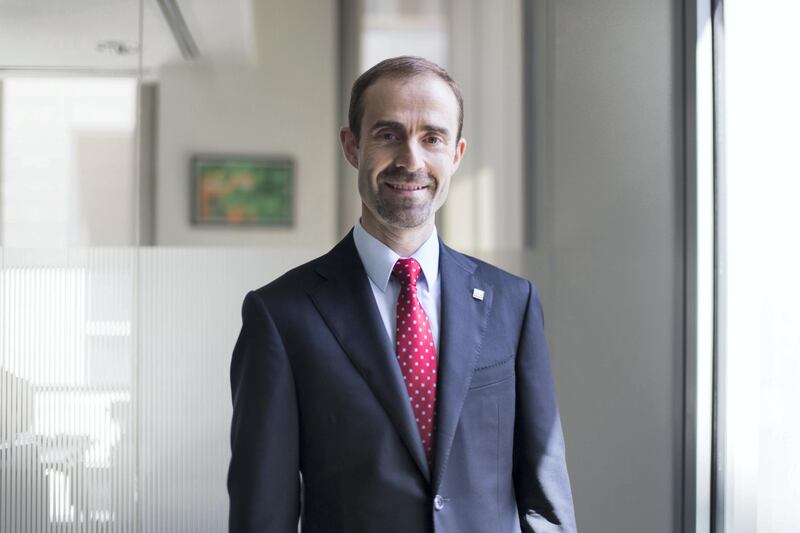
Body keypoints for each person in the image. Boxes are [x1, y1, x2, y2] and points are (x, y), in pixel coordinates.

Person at [227, 55, 576, 533]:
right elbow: (263, 515)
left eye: (432, 137)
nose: (411, 159)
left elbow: (545, 501)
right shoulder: (280, 316)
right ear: (351, 146)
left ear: (456, 153)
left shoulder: (512, 303)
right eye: (388, 134)